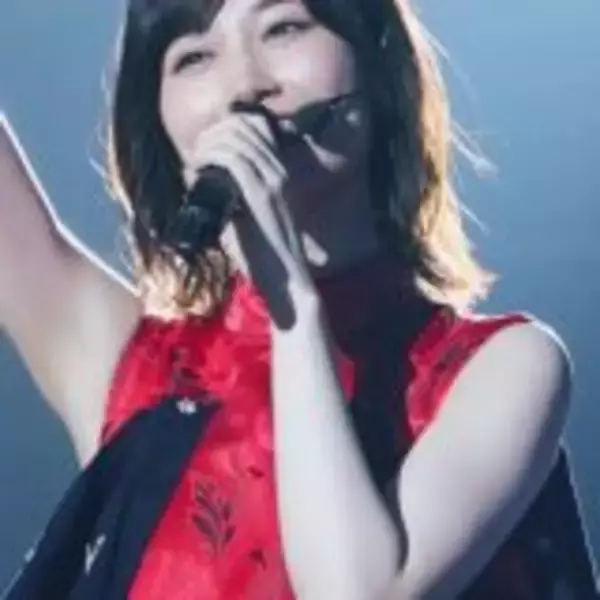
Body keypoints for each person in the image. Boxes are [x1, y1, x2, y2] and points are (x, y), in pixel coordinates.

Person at [0, 0, 598, 597]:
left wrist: (290, 304)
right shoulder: (135, 371)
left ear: (375, 61)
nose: (244, 88)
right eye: (194, 57)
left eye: (283, 28)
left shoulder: (505, 368)